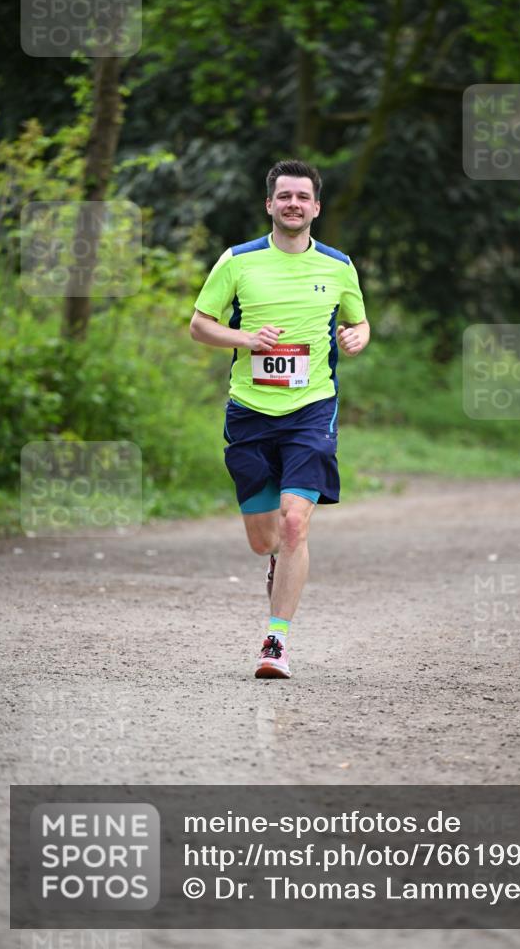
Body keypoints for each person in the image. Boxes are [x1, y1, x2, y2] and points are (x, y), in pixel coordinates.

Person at [190, 159, 370, 678]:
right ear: (270, 204)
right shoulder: (237, 261)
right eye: (284, 196)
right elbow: (200, 326)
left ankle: (276, 642)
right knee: (263, 538)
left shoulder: (339, 266)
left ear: (316, 206)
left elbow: (358, 324)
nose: (293, 204)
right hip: (249, 412)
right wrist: (245, 339)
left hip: (312, 408)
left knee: (295, 524)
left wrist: (358, 337)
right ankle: (275, 561)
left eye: (303, 197)